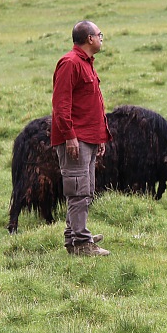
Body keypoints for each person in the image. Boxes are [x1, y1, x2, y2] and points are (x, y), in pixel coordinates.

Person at [51, 20, 112, 256]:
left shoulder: (86, 63)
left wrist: (100, 137)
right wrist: (69, 137)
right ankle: (82, 244)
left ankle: (75, 235)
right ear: (89, 39)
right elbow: (61, 104)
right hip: (75, 140)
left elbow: (92, 104)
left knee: (85, 190)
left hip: (89, 137)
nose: (101, 38)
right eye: (100, 34)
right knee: (78, 190)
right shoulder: (70, 63)